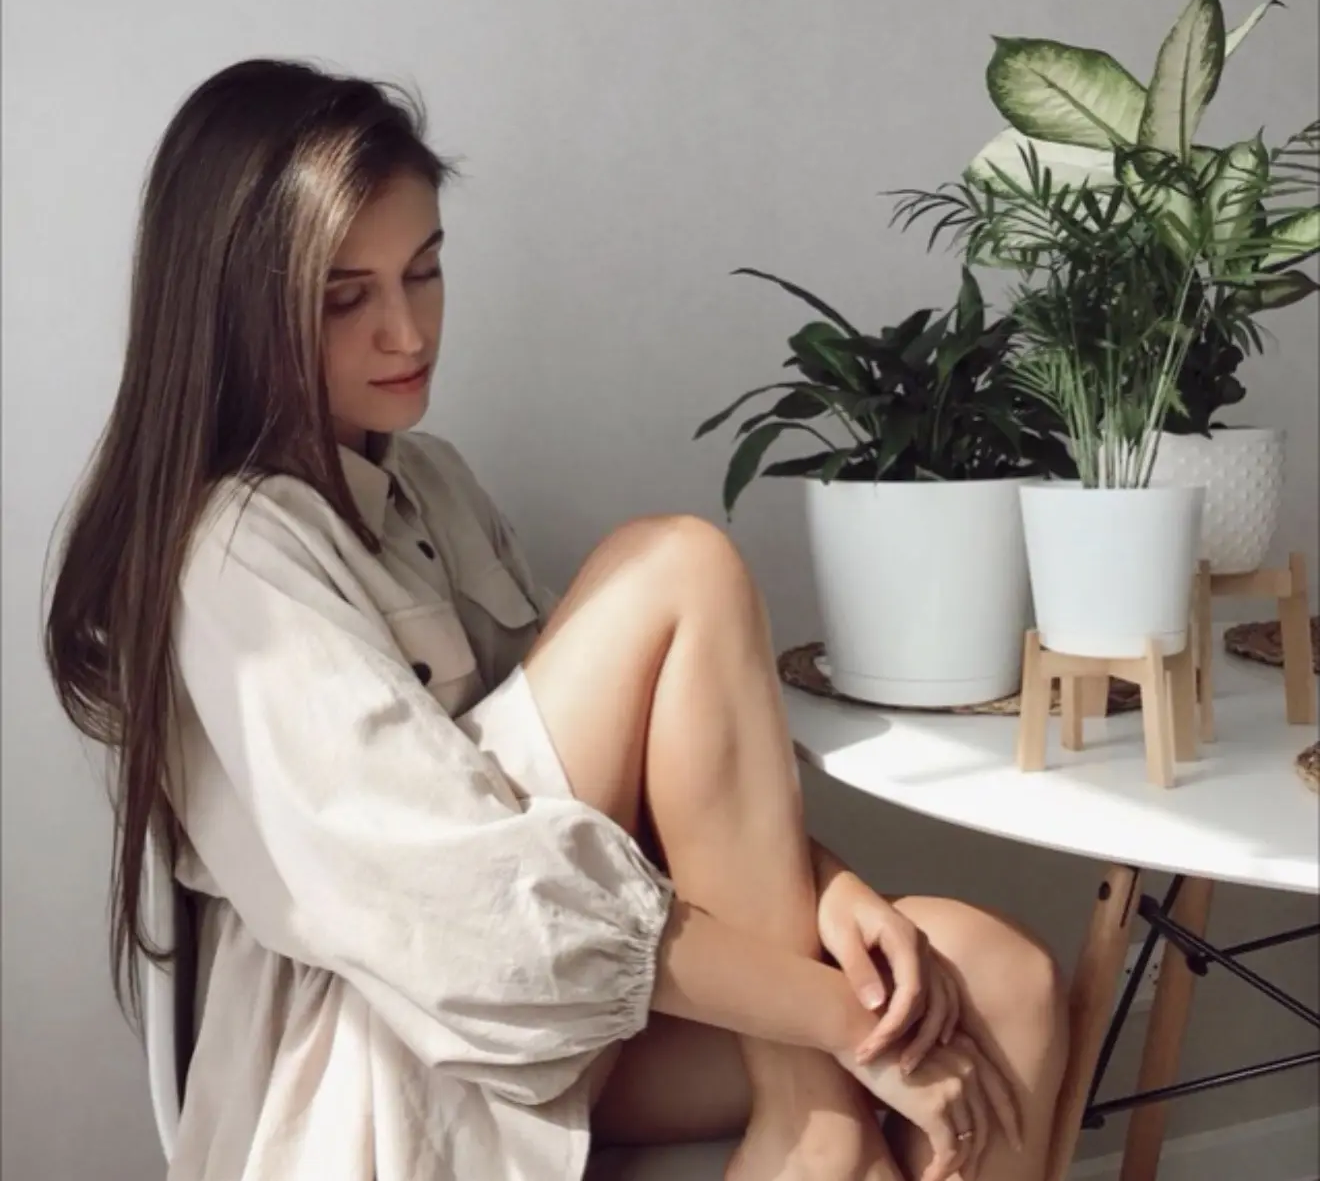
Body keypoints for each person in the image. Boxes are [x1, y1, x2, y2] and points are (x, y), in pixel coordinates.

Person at [44, 58, 1069, 1181]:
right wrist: (833, 1027)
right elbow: (460, 909)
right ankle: (813, 1136)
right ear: (236, 312)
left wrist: (825, 889)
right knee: (678, 566)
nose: (407, 333)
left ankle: (812, 1135)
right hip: (407, 1042)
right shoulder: (232, 555)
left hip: (573, 994)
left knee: (1002, 981)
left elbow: (643, 790)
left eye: (425, 272)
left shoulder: (432, 483)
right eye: (346, 299)